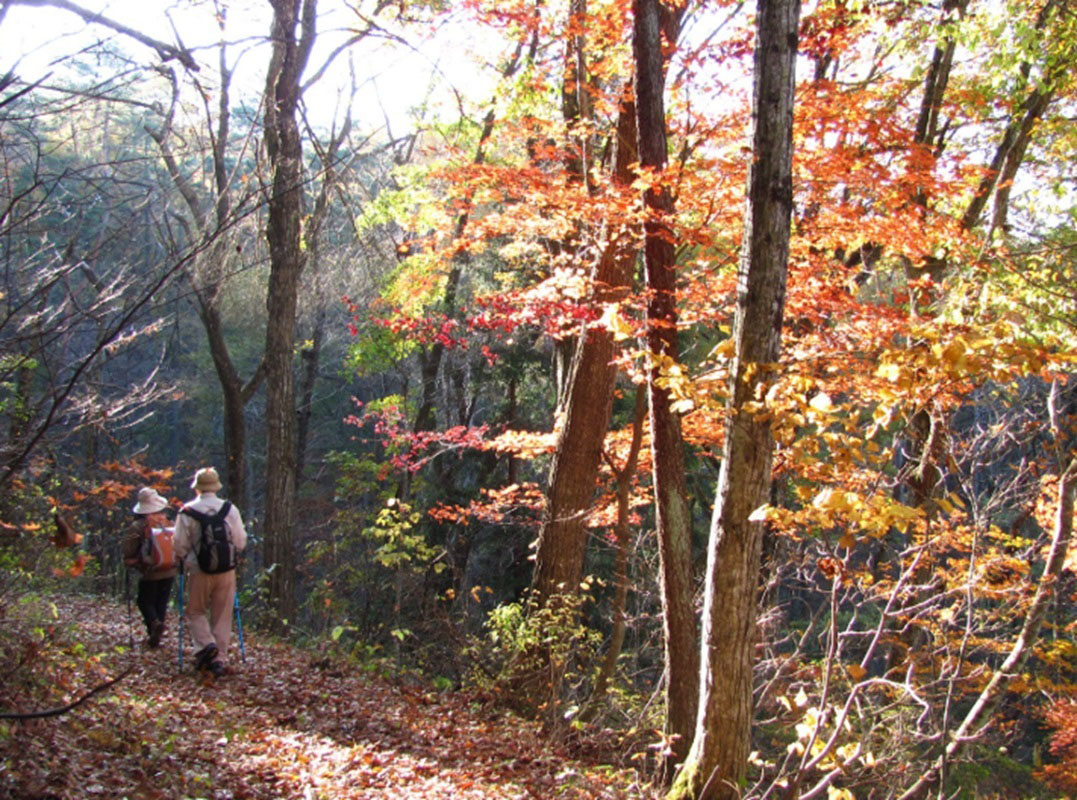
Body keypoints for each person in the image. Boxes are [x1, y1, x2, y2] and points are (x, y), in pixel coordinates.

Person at [172, 466, 247, 678]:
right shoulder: (229, 509)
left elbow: (179, 545)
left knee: (195, 610)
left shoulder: (187, 512)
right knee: (222, 614)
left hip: (199, 569)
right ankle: (218, 659)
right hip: (227, 569)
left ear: (197, 488)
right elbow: (240, 541)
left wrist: (182, 558)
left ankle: (206, 645)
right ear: (215, 486)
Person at [122, 487, 177, 648]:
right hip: (169, 569)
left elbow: (128, 549)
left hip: (150, 571)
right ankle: (156, 632)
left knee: (144, 601)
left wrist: (132, 560)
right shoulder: (168, 522)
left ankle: (153, 625)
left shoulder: (138, 526)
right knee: (161, 602)